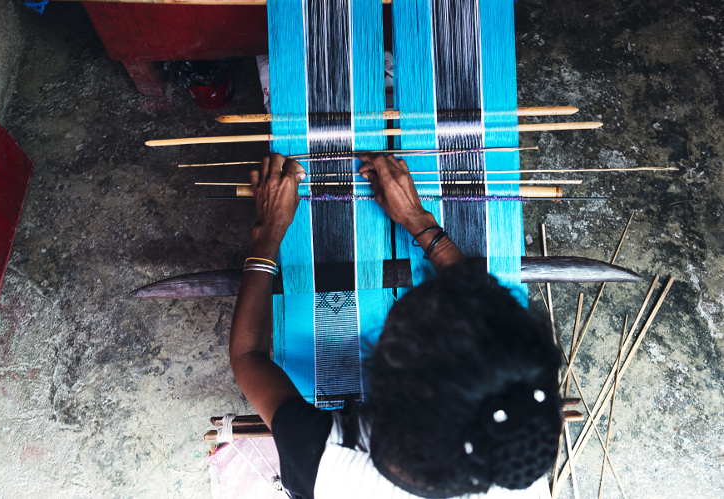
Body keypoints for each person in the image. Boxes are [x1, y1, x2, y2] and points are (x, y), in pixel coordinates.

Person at [229, 153, 563, 499]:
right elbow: (492, 324)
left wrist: (266, 234)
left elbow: (247, 354)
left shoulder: (328, 462)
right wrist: (421, 223)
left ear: (384, 392)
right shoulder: (518, 447)